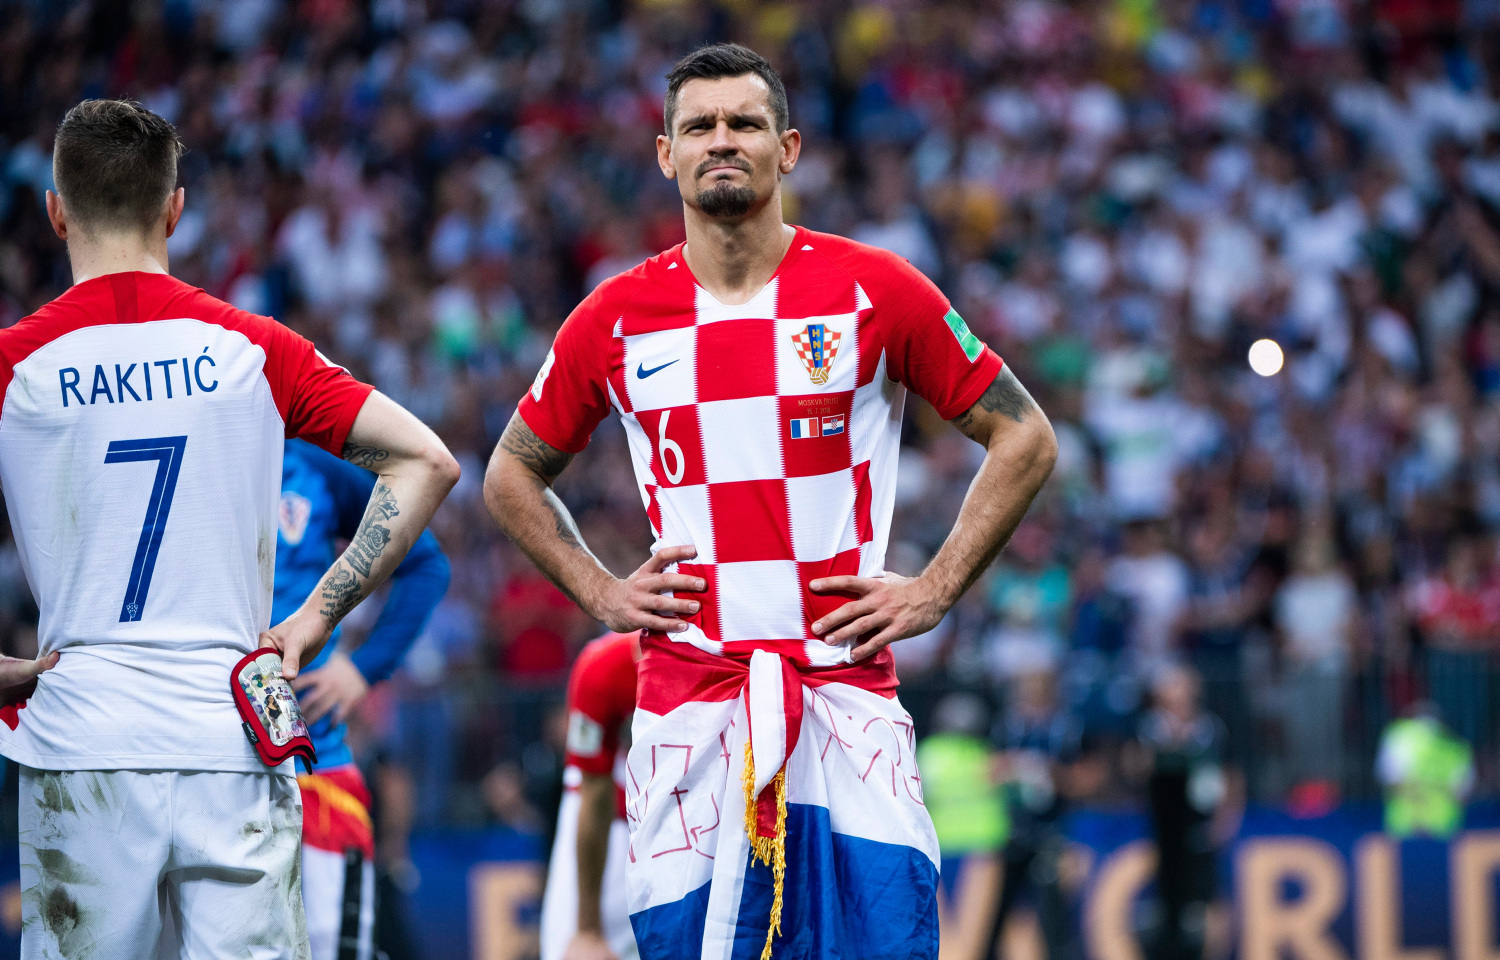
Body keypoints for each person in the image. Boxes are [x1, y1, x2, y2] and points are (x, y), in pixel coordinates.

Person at [483, 44, 1057, 960]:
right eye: (699, 126)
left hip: (842, 696)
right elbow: (510, 473)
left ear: (787, 148)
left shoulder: (874, 289)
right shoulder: (615, 317)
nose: (722, 140)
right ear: (665, 154)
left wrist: (936, 589)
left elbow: (1024, 434)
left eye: (744, 123)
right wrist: (600, 592)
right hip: (691, 705)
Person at [0, 99, 459, 959]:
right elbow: (428, 461)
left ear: (56, 212)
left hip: (84, 740)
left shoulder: (14, 364)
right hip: (234, 735)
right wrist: (313, 622)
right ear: (175, 209)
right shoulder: (255, 349)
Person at [276, 438, 452, 960]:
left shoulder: (308, 466)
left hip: (314, 766)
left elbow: (425, 562)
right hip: (197, 761)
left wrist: (361, 668)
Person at [539, 631, 642, 960]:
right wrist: (586, 929)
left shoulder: (732, 652)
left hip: (693, 813)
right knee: (572, 949)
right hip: (609, 816)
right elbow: (593, 790)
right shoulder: (603, 666)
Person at [1130, 664, 1243, 960]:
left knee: (1206, 903)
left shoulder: (1210, 728)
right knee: (1166, 906)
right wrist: (1167, 747)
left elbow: (1231, 775)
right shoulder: (1151, 728)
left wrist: (1225, 818)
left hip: (1200, 827)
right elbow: (1134, 767)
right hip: (1164, 831)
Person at [1376, 702, 1473, 839]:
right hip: (1443, 828)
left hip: (1405, 826)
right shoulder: (1456, 749)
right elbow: (1463, 793)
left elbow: (1390, 781)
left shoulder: (1399, 738)